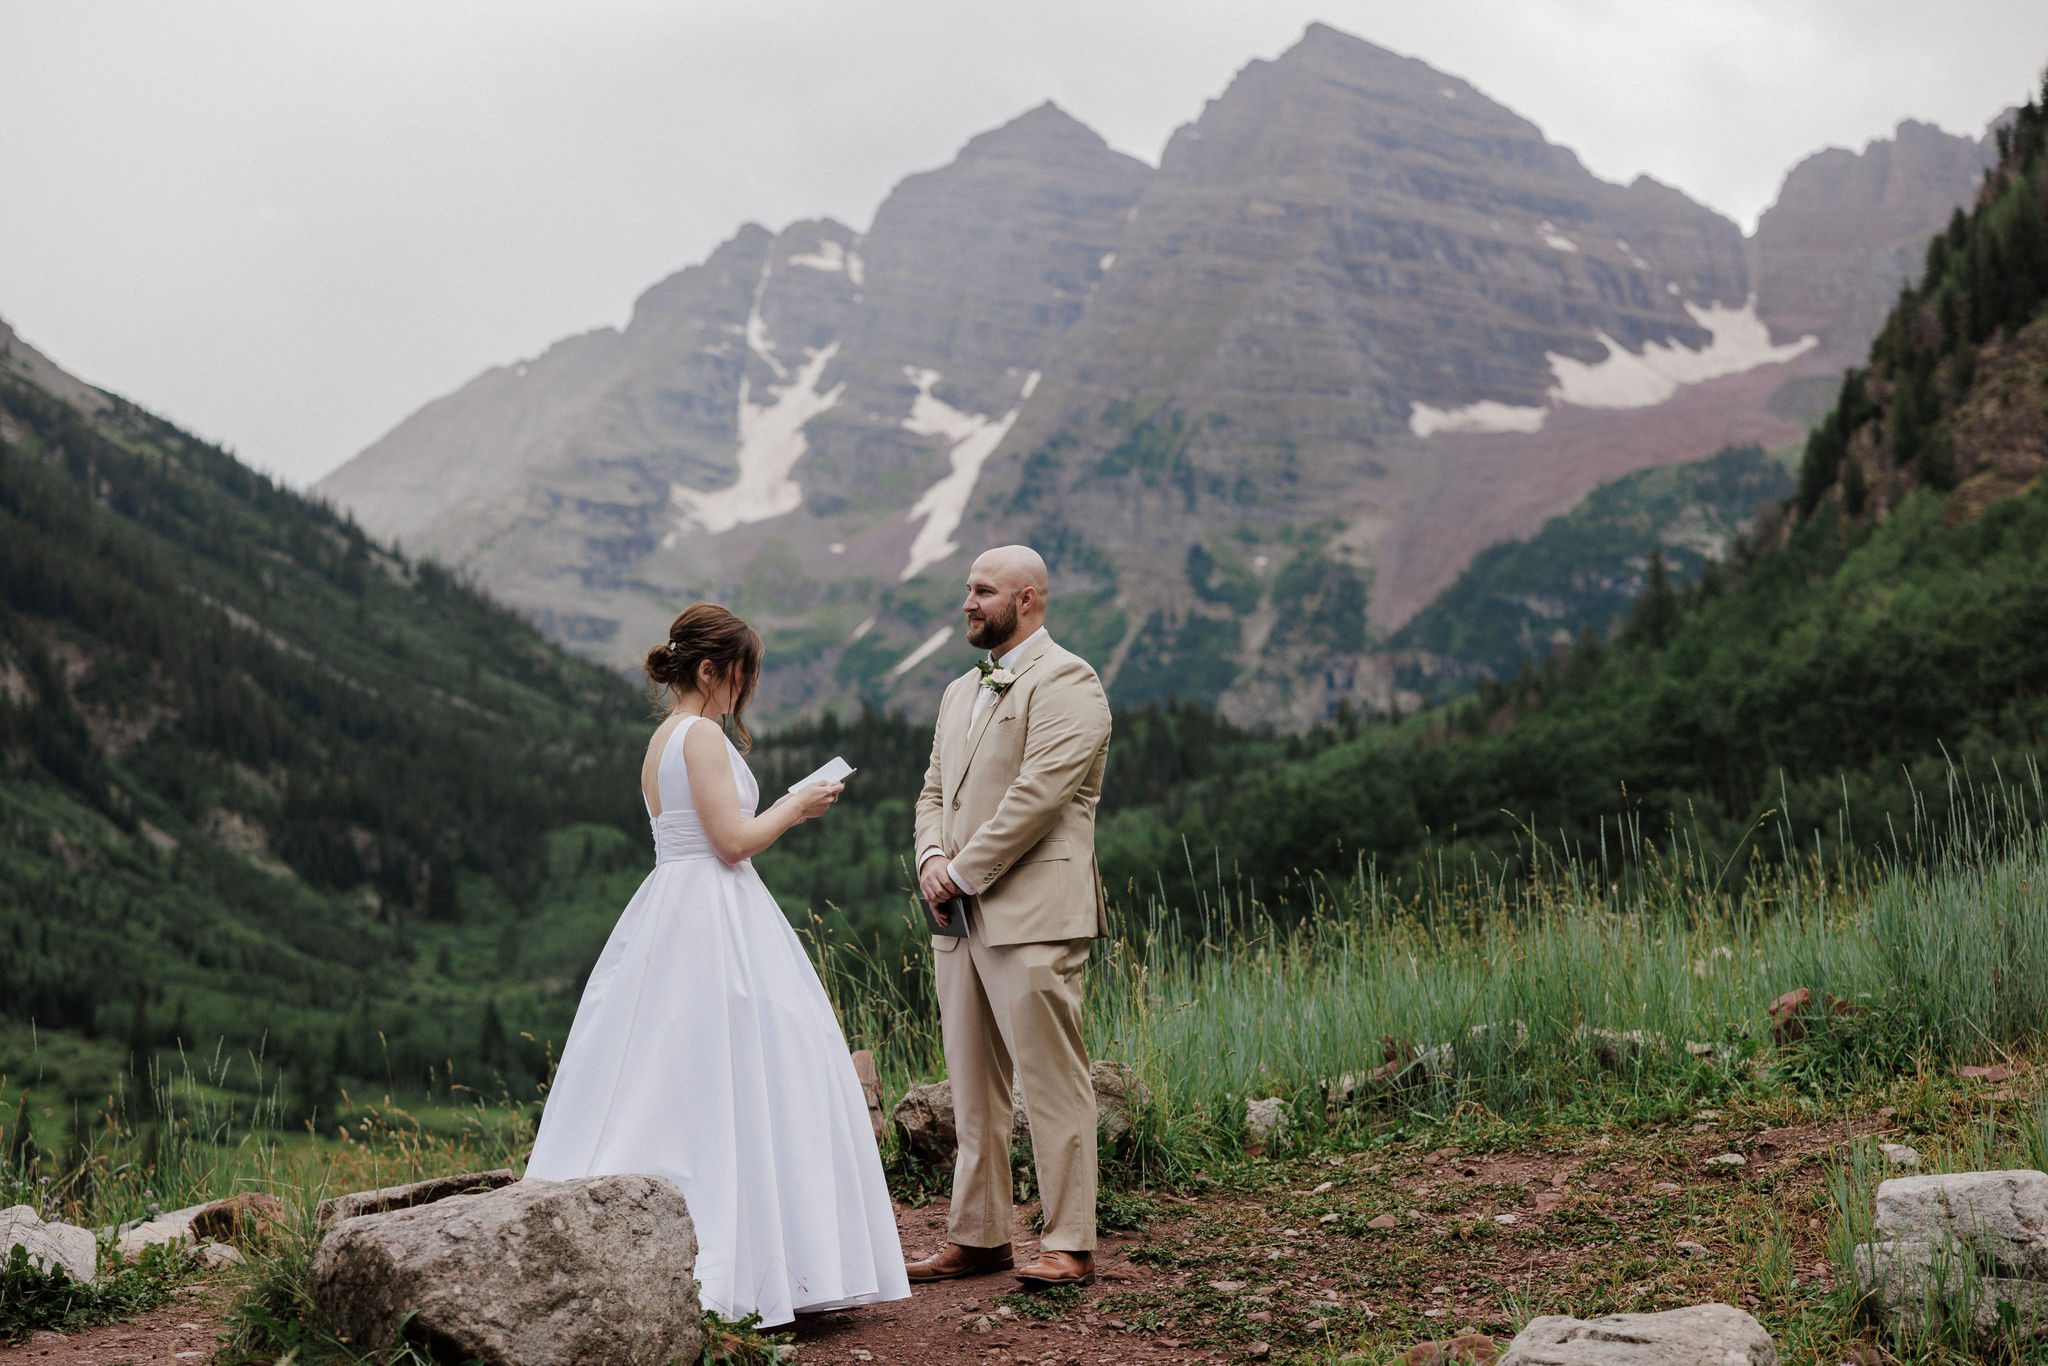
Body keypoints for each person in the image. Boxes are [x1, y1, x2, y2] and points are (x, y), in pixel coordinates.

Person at [525, 603, 910, 1327]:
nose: (743, 692)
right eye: (740, 677)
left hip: (676, 904)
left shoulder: (663, 740)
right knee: (733, 1071)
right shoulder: (699, 735)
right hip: (711, 907)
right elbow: (731, 842)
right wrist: (800, 803)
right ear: (709, 671)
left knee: (678, 1070)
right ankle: (751, 1263)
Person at [904, 545, 1113, 1289]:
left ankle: (1070, 1241)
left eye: (982, 591)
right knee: (972, 1084)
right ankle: (980, 1235)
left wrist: (961, 870)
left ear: (1027, 599)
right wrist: (932, 856)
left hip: (1033, 913)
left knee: (1050, 1081)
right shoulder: (960, 690)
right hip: (957, 915)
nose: (967, 602)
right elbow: (932, 789)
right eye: (967, 589)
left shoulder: (1069, 679)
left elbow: (1040, 796)